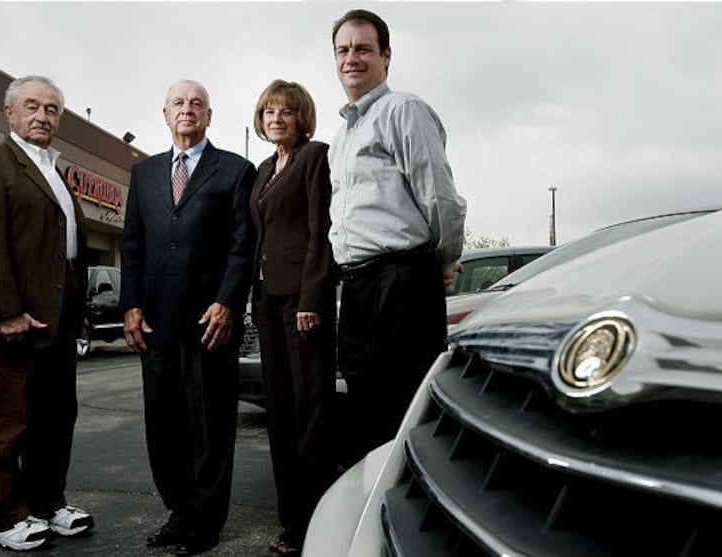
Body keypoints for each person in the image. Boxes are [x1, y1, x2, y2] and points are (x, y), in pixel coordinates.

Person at [120, 79, 256, 556]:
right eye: (179, 102)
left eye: (196, 103)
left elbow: (243, 245)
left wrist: (227, 301)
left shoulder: (236, 171)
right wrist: (130, 305)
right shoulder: (144, 174)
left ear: (209, 116)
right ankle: (179, 513)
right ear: (165, 114)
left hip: (209, 322)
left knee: (210, 428)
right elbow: (132, 244)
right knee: (165, 427)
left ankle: (205, 523)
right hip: (155, 323)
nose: (187, 109)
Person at [0, 75, 94, 551]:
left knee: (55, 422)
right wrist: (7, 312)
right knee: (6, 424)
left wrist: (76, 316)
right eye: (33, 107)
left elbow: (65, 252)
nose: (43, 116)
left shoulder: (55, 171)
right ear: (9, 114)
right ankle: (1, 518)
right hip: (11, 328)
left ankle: (47, 504)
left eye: (52, 109)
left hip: (55, 326)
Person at [329, 10, 468, 462]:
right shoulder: (341, 136)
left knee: (405, 414)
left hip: (401, 283)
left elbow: (440, 198)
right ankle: (371, 521)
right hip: (357, 286)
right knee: (366, 416)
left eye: (363, 49)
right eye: (344, 50)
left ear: (386, 56)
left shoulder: (402, 110)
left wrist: (443, 262)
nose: (352, 58)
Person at [250, 80, 337, 555]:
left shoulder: (315, 157)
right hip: (266, 300)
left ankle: (318, 524)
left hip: (303, 304)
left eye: (285, 111)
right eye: (268, 112)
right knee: (280, 412)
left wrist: (310, 299)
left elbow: (320, 232)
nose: (276, 119)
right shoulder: (264, 168)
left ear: (302, 116)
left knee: (310, 413)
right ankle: (292, 523)